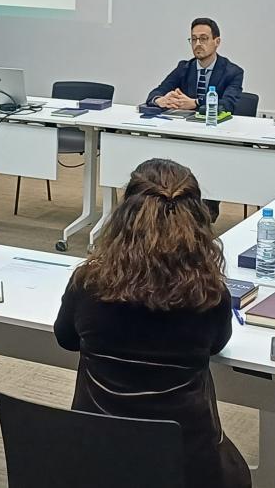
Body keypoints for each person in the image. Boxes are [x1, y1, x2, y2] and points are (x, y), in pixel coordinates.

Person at [54, 158, 250, 488]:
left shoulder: (88, 283)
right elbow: (216, 345)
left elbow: (65, 338)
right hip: (185, 465)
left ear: (124, 216)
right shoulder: (209, 293)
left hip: (97, 458)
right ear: (198, 220)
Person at [144, 17, 244, 114]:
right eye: (194, 39)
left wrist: (196, 103)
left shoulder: (232, 72)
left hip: (215, 123)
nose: (197, 44)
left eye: (203, 39)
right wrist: (160, 100)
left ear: (217, 42)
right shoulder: (184, 68)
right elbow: (157, 92)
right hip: (185, 123)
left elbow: (227, 105)